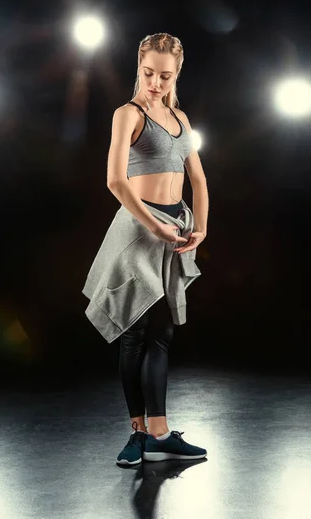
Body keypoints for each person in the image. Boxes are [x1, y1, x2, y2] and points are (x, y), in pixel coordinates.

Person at [103, 32, 209, 465]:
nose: (156, 83)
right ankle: (137, 432)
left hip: (176, 227)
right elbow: (115, 181)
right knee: (135, 331)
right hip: (139, 228)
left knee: (162, 332)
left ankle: (160, 432)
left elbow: (198, 179)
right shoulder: (127, 114)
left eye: (165, 76)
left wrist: (200, 226)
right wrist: (154, 226)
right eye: (149, 73)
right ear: (140, 67)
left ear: (176, 73)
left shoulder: (181, 118)